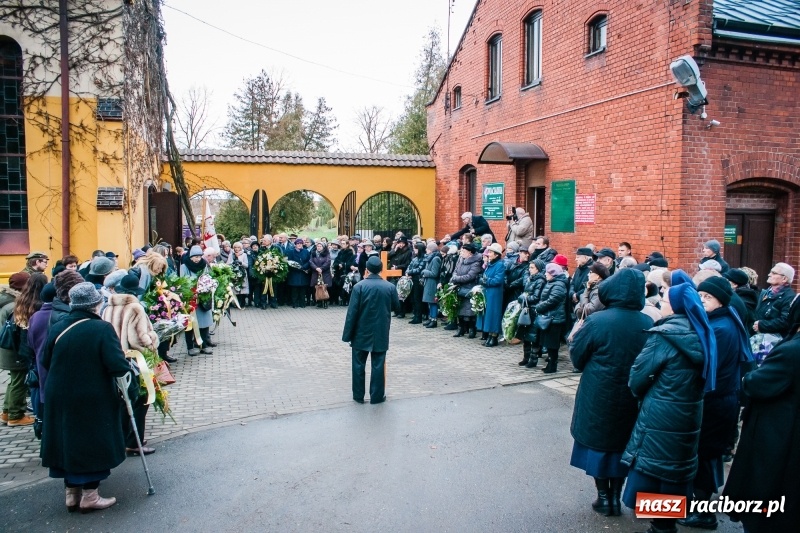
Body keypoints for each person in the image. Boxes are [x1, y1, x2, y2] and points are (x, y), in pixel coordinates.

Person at [621, 282, 715, 533]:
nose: (661, 304)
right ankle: (667, 523)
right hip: (689, 412)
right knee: (675, 468)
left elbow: (637, 377)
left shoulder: (664, 336)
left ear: (675, 308)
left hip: (660, 412)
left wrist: (643, 393)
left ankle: (660, 527)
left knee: (654, 468)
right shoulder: (702, 331)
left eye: (664, 301)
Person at [40, 282, 132, 513]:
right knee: (91, 441)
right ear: (95, 304)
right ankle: (90, 496)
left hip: (58, 393)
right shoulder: (102, 329)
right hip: (91, 395)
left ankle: (71, 495)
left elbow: (44, 359)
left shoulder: (58, 326)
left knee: (67, 440)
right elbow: (117, 365)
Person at [569, 269, 654, 517]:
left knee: (600, 443)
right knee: (621, 444)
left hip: (599, 391)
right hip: (632, 393)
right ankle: (615, 496)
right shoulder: (648, 322)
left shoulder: (598, 321)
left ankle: (604, 497)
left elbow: (577, 356)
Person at [677, 276, 752, 530]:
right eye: (700, 295)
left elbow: (709, 367)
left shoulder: (720, 328)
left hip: (717, 401)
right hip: (720, 398)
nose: (701, 300)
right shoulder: (723, 320)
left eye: (707, 297)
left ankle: (704, 513)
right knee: (706, 454)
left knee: (707, 456)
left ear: (721, 300)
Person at [722, 310, 800, 533]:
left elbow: (758, 383)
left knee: (765, 489)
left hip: (778, 433)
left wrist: (747, 377)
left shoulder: (792, 351)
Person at [102, 273, 159, 456]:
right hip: (134, 360)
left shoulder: (108, 307)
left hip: (115, 357)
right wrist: (153, 341)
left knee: (122, 400)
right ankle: (134, 442)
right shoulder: (135, 308)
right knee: (141, 399)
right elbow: (138, 338)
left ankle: (122, 437)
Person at [342, 256, 400, 404]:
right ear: (381, 269)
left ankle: (358, 396)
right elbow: (397, 307)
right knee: (378, 365)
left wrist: (347, 335)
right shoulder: (390, 287)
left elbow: (352, 313)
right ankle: (377, 396)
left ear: (366, 269)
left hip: (360, 332)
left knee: (358, 365)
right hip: (380, 331)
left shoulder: (359, 287)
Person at [0, 272, 32, 426]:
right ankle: (16, 414)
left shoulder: (6, 301)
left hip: (6, 347)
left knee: (14, 381)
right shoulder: (15, 305)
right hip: (13, 349)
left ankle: (6, 412)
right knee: (19, 382)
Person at [534, 263, 569, 373]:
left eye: (547, 272)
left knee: (552, 344)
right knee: (549, 343)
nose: (545, 274)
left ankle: (552, 365)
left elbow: (553, 300)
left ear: (553, 274)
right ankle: (550, 364)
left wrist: (539, 307)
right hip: (550, 317)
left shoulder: (558, 285)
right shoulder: (552, 283)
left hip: (554, 318)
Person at [180, 246, 214, 355]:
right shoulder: (184, 266)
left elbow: (207, 277)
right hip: (191, 298)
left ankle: (203, 345)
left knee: (204, 322)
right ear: (190, 257)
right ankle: (190, 347)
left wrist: (206, 287)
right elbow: (183, 281)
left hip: (203, 297)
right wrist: (191, 291)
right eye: (195, 257)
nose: (197, 259)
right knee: (190, 323)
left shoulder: (204, 264)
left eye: (199, 256)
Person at [450, 244, 484, 338]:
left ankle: (472, 329)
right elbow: (455, 271)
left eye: (463, 251)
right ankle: (461, 329)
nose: (461, 253)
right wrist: (455, 277)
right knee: (459, 310)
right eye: (461, 251)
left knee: (470, 311)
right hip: (459, 287)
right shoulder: (461, 260)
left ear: (470, 253)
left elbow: (470, 276)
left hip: (469, 289)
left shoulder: (476, 262)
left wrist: (456, 278)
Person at [517, 259, 547, 367]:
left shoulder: (540, 280)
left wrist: (524, 298)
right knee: (526, 335)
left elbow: (536, 297)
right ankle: (526, 357)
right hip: (527, 309)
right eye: (529, 267)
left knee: (533, 336)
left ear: (538, 269)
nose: (530, 269)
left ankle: (533, 359)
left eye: (532, 268)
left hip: (534, 310)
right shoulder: (531, 278)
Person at [753, 262, 795, 337]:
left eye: (774, 273)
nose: (769, 275)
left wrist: (762, 325)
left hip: (775, 340)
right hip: (758, 337)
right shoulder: (765, 293)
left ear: (784, 278)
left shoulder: (789, 297)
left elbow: (785, 321)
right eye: (770, 272)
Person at [476, 243, 505, 347]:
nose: (488, 254)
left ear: (496, 254)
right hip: (488, 291)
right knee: (488, 314)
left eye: (491, 252)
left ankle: (494, 336)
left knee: (494, 314)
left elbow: (498, 280)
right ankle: (489, 335)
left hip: (495, 293)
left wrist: (486, 281)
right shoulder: (490, 264)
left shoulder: (500, 264)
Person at [421, 242, 442, 328]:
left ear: (430, 249)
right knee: (430, 302)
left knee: (433, 302)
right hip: (429, 282)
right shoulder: (430, 258)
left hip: (432, 283)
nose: (426, 250)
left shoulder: (436, 259)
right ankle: (430, 318)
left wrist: (424, 271)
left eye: (427, 248)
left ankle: (434, 320)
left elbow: (434, 273)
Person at [405, 242, 427, 324]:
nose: (414, 250)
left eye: (416, 248)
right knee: (413, 299)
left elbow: (420, 269)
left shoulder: (424, 258)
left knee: (417, 299)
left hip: (418, 281)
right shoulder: (415, 258)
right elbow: (409, 266)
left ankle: (419, 316)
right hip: (413, 280)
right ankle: (415, 314)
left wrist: (410, 272)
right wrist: (407, 272)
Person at [286, 238, 311, 308]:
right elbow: (289, 262)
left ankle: (302, 303)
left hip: (303, 273)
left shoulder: (306, 251)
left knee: (303, 289)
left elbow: (309, 261)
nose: (299, 245)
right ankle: (295, 303)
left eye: (300, 243)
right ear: (295, 245)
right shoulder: (291, 252)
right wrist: (297, 267)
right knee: (294, 290)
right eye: (298, 244)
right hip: (294, 273)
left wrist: (303, 267)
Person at [309, 241, 332, 309]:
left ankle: (325, 302)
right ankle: (319, 302)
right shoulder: (313, 253)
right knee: (317, 287)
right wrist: (316, 268)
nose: (319, 247)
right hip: (315, 272)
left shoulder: (327, 253)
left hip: (324, 273)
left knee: (325, 287)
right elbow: (311, 262)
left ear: (323, 247)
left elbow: (328, 262)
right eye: (318, 246)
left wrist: (321, 268)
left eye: (320, 246)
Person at [227, 242, 250, 308]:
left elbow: (246, 265)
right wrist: (232, 263)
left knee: (242, 287)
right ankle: (236, 303)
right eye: (235, 247)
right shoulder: (231, 254)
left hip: (242, 273)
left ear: (241, 248)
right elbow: (228, 264)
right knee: (235, 288)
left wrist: (241, 262)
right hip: (234, 273)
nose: (236, 249)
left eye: (238, 247)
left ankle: (242, 303)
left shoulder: (244, 254)